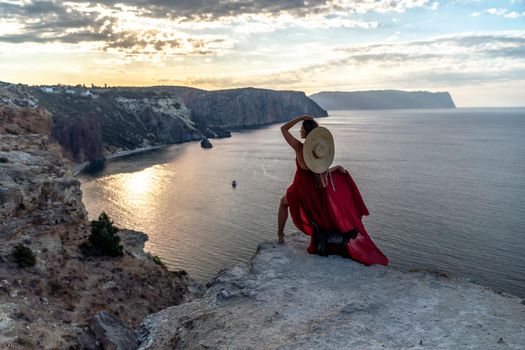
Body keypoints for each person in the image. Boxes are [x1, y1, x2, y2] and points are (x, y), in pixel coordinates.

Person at [277, 115, 388, 266]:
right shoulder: (316, 155)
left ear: (307, 132)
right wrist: (335, 168)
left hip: (300, 189)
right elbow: (320, 171)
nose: (300, 131)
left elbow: (283, 129)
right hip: (315, 191)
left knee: (283, 203)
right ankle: (334, 239)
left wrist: (300, 117)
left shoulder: (299, 147)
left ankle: (280, 234)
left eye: (302, 129)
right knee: (316, 217)